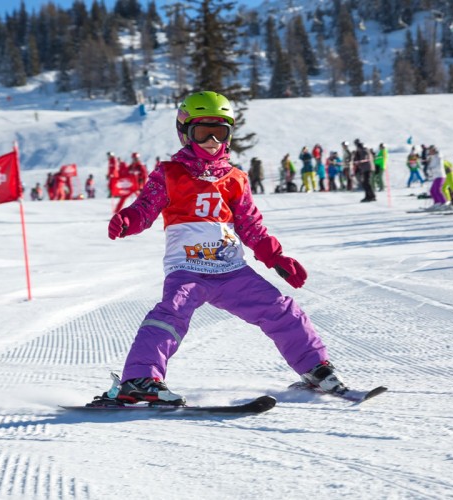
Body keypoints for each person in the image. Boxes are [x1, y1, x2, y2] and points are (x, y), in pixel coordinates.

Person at [107, 91, 349, 405]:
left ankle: (315, 368)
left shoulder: (235, 179)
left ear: (229, 135)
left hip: (231, 271)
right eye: (202, 131)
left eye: (219, 132)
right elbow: (145, 208)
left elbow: (250, 225)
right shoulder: (169, 174)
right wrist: (129, 219)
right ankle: (140, 379)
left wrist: (275, 257)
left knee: (281, 309)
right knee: (171, 314)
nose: (211, 140)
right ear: (185, 134)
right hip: (187, 269)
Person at [426, 145, 447, 209]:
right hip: (436, 176)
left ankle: (444, 202)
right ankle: (437, 203)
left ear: (434, 150)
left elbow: (439, 167)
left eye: (430, 150)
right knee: (432, 190)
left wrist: (431, 169)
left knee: (437, 190)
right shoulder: (432, 157)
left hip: (440, 175)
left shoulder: (438, 157)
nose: (429, 151)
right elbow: (430, 167)